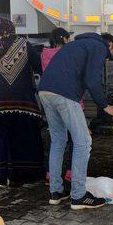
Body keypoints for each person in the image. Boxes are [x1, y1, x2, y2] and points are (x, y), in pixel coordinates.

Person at [38, 32, 113, 210]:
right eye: (107, 58)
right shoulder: (99, 46)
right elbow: (92, 80)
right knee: (83, 141)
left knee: (58, 140)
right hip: (65, 93)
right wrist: (105, 106)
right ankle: (78, 196)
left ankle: (56, 192)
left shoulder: (76, 46)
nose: (105, 60)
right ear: (111, 46)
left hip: (45, 90)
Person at [0, 18, 45, 187]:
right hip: (23, 100)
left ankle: (2, 176)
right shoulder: (24, 44)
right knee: (25, 135)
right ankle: (28, 174)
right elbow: (39, 65)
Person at [41, 27, 73, 183]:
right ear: (65, 39)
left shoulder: (44, 54)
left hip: (48, 97)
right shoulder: (67, 54)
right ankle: (71, 172)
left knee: (56, 140)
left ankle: (50, 174)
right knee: (75, 138)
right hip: (66, 98)